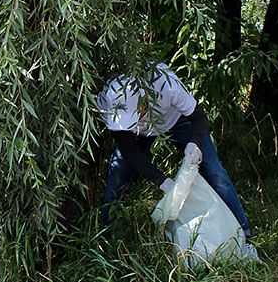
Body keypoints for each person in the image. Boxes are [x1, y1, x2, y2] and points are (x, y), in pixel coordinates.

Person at [97, 64, 257, 256]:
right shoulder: (110, 98)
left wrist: (193, 144)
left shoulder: (166, 84)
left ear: (145, 101)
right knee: (116, 181)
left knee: (215, 173)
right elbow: (129, 151)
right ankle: (106, 244)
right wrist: (162, 181)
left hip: (177, 120)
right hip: (139, 134)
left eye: (133, 116)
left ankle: (243, 236)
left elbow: (199, 117)